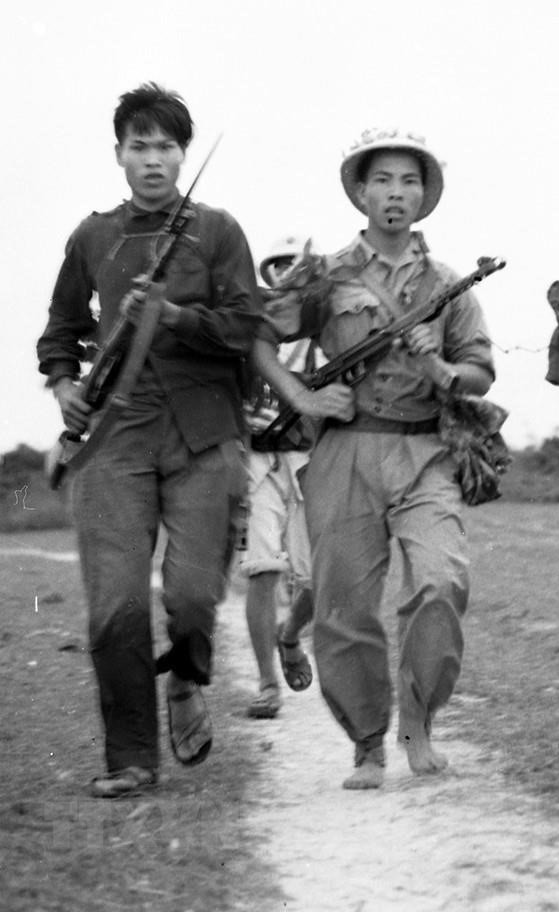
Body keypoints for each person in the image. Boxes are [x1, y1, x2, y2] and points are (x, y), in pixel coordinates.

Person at [36, 83, 266, 798]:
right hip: (114, 442)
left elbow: (244, 327)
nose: (154, 159)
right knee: (116, 606)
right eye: (140, 146)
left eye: (166, 146)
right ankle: (132, 758)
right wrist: (65, 382)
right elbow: (60, 330)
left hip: (205, 436)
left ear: (183, 153)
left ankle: (188, 681)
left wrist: (174, 318)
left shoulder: (219, 230)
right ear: (119, 154)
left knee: (195, 594)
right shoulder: (93, 236)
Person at [262, 129, 495, 789]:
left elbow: (480, 372)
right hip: (344, 452)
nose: (397, 194)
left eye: (410, 181)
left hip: (425, 450)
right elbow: (252, 334)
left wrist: (441, 364)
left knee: (441, 583)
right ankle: (367, 742)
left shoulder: (450, 283)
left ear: (425, 196)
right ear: (361, 191)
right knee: (343, 605)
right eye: (384, 180)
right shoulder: (325, 276)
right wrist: (304, 394)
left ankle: (419, 720)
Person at [239, 236, 323, 719]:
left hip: (307, 460)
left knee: (314, 579)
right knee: (263, 569)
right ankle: (267, 683)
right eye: (278, 267)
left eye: (297, 266)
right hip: (256, 459)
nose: (286, 275)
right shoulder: (250, 328)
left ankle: (290, 637)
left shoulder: (324, 332)